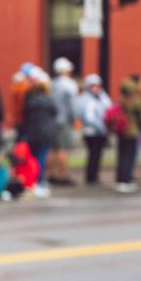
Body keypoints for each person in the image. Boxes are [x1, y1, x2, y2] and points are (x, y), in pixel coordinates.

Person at [21, 72, 58, 198]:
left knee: (34, 159)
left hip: (32, 133)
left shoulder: (30, 99)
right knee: (41, 159)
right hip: (45, 133)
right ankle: (39, 182)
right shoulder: (47, 100)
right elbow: (54, 112)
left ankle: (32, 182)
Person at [76, 74, 112, 185]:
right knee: (93, 154)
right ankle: (91, 177)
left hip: (101, 131)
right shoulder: (86, 99)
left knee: (98, 155)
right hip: (91, 132)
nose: (96, 88)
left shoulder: (103, 97)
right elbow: (89, 118)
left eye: (98, 86)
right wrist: (101, 127)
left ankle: (95, 176)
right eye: (93, 86)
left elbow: (109, 109)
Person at [49, 57, 78, 186]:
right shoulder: (69, 84)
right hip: (64, 119)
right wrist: (75, 119)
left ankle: (50, 174)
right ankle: (63, 175)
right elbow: (72, 104)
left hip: (52, 120)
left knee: (53, 149)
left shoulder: (51, 83)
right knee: (63, 149)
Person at [114, 79, 141, 192]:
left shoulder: (121, 99)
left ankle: (120, 180)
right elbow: (140, 115)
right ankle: (126, 180)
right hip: (131, 131)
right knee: (129, 157)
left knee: (122, 156)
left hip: (121, 130)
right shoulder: (134, 99)